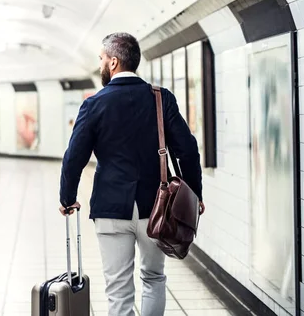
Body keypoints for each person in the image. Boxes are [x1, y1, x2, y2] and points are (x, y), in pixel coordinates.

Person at [59, 32, 205, 316]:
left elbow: (74, 156)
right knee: (153, 278)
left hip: (111, 209)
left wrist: (68, 198)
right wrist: (195, 194)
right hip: (157, 208)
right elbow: (188, 149)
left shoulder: (94, 104)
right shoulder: (162, 99)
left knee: (118, 289)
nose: (100, 63)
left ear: (113, 62)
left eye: (101, 58)